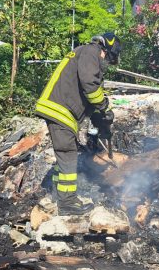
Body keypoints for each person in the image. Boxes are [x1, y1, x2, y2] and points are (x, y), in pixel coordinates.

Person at [34, 33, 121, 215]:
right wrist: (104, 105)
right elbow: (90, 86)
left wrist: (101, 120)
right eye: (110, 59)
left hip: (59, 111)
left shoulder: (83, 54)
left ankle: (59, 195)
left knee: (65, 156)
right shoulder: (92, 52)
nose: (107, 65)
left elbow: (88, 95)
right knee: (68, 154)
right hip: (60, 110)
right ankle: (67, 204)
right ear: (106, 51)